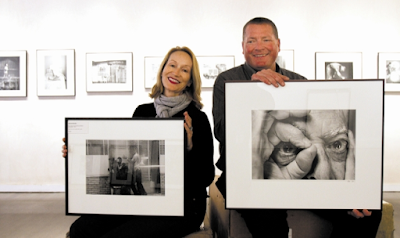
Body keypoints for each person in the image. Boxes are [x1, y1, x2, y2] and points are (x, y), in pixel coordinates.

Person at [212, 17, 382, 238]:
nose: (259, 46)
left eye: (266, 39)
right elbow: (222, 133)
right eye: (251, 41)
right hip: (243, 176)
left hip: (298, 175)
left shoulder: (297, 81)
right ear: (243, 46)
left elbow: (313, 134)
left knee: (366, 211)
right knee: (271, 225)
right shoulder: (227, 80)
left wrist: (346, 190)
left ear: (278, 44)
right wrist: (250, 96)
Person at [62, 46, 215, 238]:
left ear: (190, 80)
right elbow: (129, 159)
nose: (175, 72)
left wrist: (190, 145)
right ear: (162, 69)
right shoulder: (143, 112)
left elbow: (206, 177)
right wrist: (76, 152)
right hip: (141, 200)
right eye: (172, 65)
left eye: (184, 70)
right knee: (81, 228)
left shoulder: (197, 118)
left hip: (183, 207)